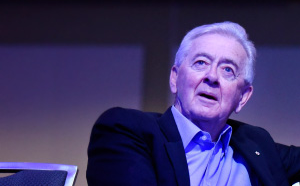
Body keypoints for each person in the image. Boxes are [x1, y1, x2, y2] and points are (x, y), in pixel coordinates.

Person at [86, 21, 300, 186]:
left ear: (242, 96)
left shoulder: (256, 144)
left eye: (228, 70)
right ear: (175, 78)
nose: (212, 76)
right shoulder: (127, 130)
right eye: (201, 63)